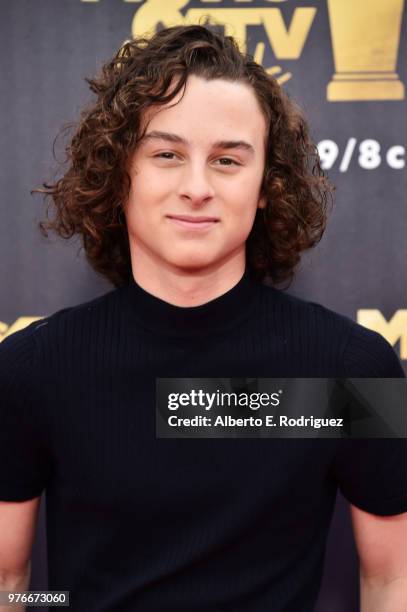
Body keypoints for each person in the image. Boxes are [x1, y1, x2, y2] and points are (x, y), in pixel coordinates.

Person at [0, 24, 406, 612]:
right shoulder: (30, 371)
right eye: (166, 154)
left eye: (227, 160)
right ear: (120, 172)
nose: (197, 188)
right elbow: (11, 584)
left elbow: (392, 581)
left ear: (267, 184)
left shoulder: (351, 370)